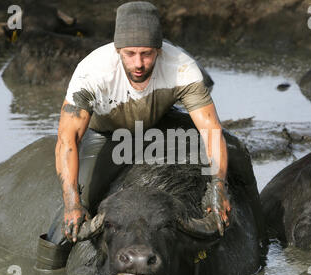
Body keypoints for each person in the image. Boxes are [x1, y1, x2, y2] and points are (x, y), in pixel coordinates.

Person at [53, 1, 231, 244]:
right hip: (107, 134)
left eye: (146, 54)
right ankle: (50, 266)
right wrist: (72, 201)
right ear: (118, 51)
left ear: (159, 50)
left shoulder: (181, 66)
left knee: (235, 150)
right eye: (130, 54)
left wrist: (218, 187)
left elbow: (211, 130)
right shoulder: (92, 71)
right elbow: (68, 139)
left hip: (161, 127)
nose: (138, 64)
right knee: (72, 217)